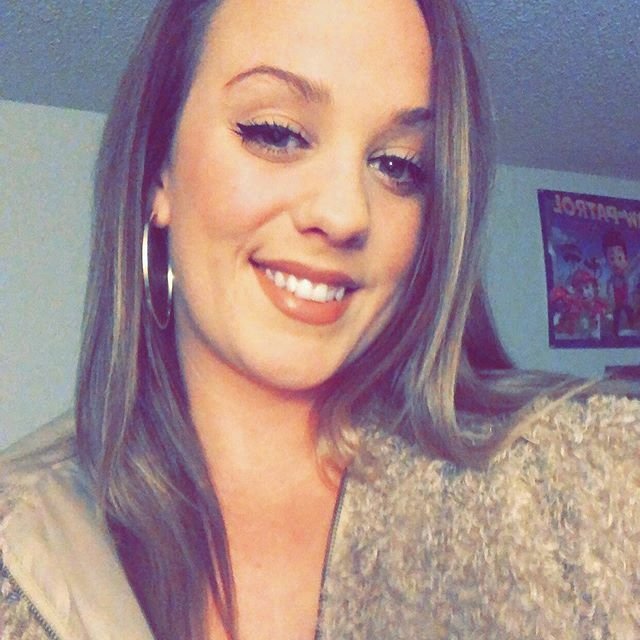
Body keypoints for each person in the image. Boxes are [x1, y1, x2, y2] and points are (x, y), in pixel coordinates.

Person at [1, 0, 638, 638]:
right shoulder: (22, 547)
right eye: (277, 132)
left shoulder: (590, 482)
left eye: (399, 165)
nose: (344, 213)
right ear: (156, 172)